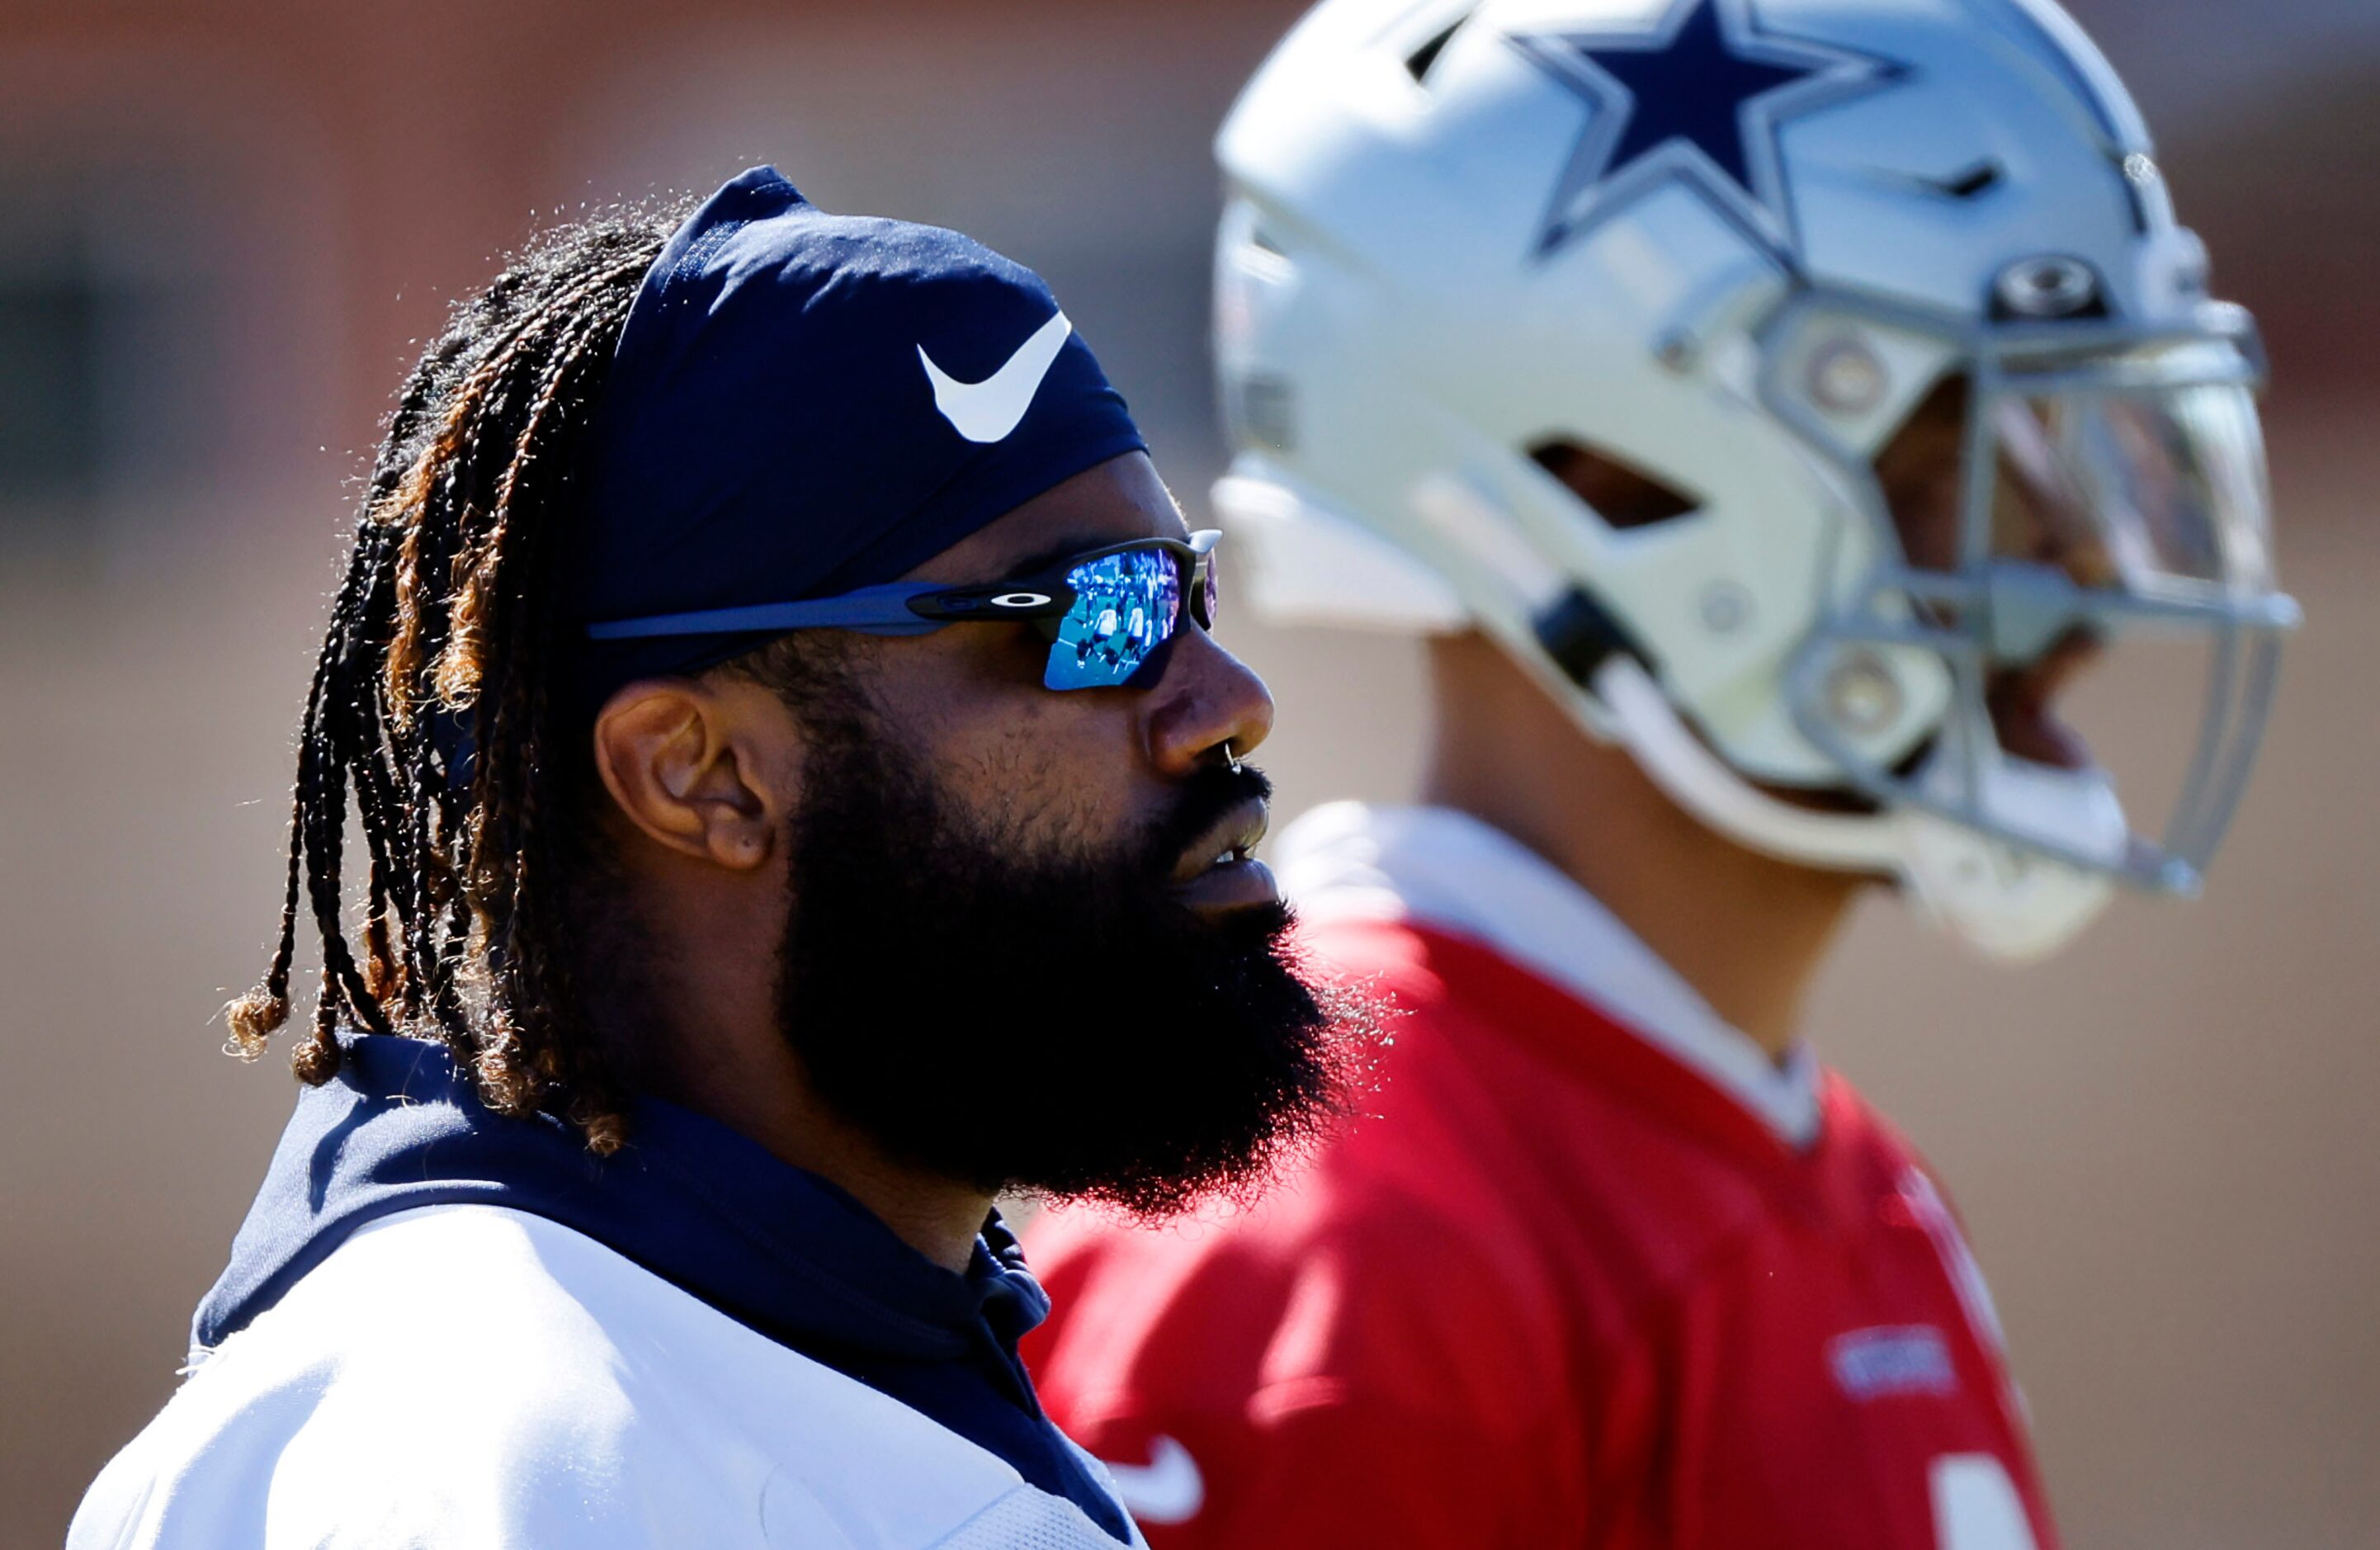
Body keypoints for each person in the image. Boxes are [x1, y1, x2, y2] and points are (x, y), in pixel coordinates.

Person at [1022, 2, 2299, 1546]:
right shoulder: (1325, 1257)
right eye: (1973, 456)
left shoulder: (1818, 1164)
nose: (2082, 563)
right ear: (1616, 478)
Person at [68, 166, 1367, 1550]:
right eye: (1098, 614)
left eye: (1191, 587)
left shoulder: (724, 1390)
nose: (1228, 696)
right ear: (699, 772)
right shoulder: (537, 1476)